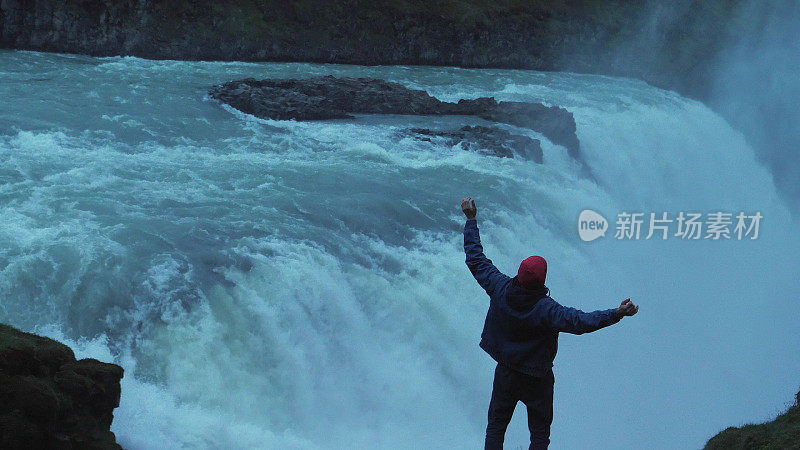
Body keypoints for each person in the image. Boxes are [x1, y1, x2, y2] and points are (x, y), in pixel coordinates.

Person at [460, 197, 639, 450]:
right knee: (540, 435)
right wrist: (617, 313)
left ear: (519, 274)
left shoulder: (498, 286)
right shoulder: (547, 310)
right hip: (537, 379)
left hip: (506, 372)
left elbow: (475, 259)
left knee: (496, 428)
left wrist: (470, 220)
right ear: (542, 280)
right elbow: (581, 322)